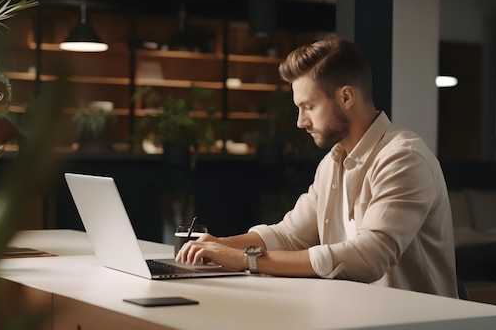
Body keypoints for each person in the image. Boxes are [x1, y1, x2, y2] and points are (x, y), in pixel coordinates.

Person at [176, 35, 458, 298]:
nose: (300, 121)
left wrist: (246, 259)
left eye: (309, 106)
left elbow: (369, 257)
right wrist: (219, 245)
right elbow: (290, 235)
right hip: (354, 315)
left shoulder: (403, 159)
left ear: (346, 97)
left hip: (416, 321)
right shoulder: (332, 163)